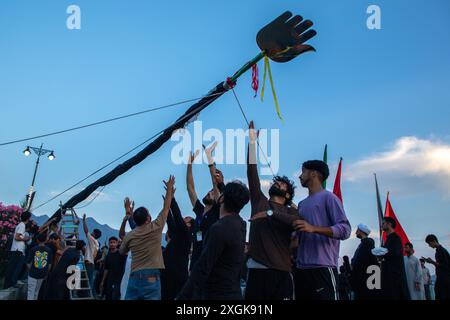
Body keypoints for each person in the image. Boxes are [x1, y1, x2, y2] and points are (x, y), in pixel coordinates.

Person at [244, 121, 300, 300]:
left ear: (288, 194)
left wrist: (270, 214)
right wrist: (252, 143)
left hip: (281, 272)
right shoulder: (259, 200)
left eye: (282, 184)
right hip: (257, 271)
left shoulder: (291, 212)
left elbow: (296, 223)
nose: (277, 183)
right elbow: (251, 171)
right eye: (277, 182)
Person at [177, 180, 249, 300]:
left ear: (221, 199)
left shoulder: (219, 228)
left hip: (216, 293)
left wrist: (182, 297)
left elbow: (204, 266)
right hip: (233, 292)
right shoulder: (241, 225)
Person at [293, 160, 351, 300]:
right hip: (300, 270)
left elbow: (345, 230)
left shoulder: (329, 198)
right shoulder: (301, 204)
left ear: (313, 174)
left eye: (303, 172)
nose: (300, 176)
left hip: (323, 269)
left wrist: (313, 228)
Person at [119, 175, 175, 300]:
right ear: (148, 219)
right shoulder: (156, 227)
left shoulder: (131, 235)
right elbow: (166, 207)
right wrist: (169, 189)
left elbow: (122, 251)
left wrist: (128, 213)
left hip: (133, 278)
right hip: (151, 279)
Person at [186, 144, 224, 271]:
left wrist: (209, 157)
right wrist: (189, 164)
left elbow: (215, 183)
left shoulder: (217, 211)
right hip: (195, 263)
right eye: (209, 191)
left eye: (212, 193)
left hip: (209, 265)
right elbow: (190, 188)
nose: (209, 192)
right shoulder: (199, 210)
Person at [161, 197, 194, 300]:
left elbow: (177, 217)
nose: (184, 219)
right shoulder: (176, 233)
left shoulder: (187, 235)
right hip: (167, 273)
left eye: (186, 219)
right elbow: (170, 220)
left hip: (177, 275)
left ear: (189, 226)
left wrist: (172, 199)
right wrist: (166, 204)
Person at [380, 217, 410, 300]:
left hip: (395, 277)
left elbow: (394, 254)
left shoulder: (395, 238)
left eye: (383, 223)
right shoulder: (388, 239)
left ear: (389, 224)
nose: (381, 225)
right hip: (388, 276)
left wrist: (381, 253)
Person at [4, 211, 32, 288]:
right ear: (28, 218)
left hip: (17, 250)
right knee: (15, 268)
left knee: (13, 267)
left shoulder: (21, 225)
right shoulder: (22, 225)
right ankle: (11, 284)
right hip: (17, 250)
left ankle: (9, 284)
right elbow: (16, 237)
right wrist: (26, 239)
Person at [350, 224, 378, 300]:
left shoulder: (366, 245)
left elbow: (360, 263)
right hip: (362, 283)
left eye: (357, 231)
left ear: (361, 231)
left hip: (364, 284)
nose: (355, 233)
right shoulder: (363, 245)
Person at [26, 232, 53, 300]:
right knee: (36, 292)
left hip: (33, 273)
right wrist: (46, 273)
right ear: (45, 240)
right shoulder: (49, 250)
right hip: (42, 274)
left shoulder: (33, 249)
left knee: (30, 292)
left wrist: (30, 270)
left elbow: (28, 263)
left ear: (37, 240)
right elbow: (49, 264)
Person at [423, 234, 450, 300]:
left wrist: (432, 262)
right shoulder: (438, 251)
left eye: (429, 243)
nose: (429, 245)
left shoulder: (442, 251)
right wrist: (432, 262)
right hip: (441, 278)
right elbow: (440, 265)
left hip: (444, 279)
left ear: (434, 241)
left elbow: (445, 265)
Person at [82, 214, 101, 291]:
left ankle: (92, 296)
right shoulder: (96, 243)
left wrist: (84, 221)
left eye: (92, 232)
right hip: (91, 263)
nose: (91, 233)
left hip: (89, 263)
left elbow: (86, 231)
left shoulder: (92, 240)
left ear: (94, 234)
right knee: (89, 281)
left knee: (88, 282)